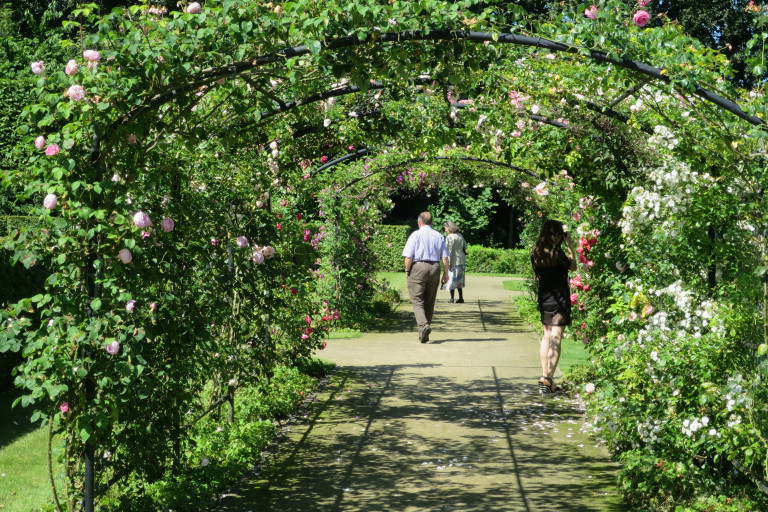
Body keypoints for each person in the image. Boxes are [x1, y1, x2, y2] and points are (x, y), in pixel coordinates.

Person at [531, 219, 577, 395]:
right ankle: (548, 380)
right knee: (556, 337)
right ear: (556, 235)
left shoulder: (536, 252)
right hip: (559, 298)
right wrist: (570, 246)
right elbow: (573, 267)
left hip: (544, 297)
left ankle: (545, 376)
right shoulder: (558, 254)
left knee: (546, 337)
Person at [402, 212, 450, 343]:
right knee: (429, 301)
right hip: (435, 268)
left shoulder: (415, 235)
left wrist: (407, 270)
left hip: (418, 267)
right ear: (432, 222)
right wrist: (446, 274)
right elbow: (445, 257)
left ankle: (424, 326)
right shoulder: (439, 236)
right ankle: (424, 334)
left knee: (417, 300)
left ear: (419, 222)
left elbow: (408, 257)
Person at [443, 221, 467, 303]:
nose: (445, 230)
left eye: (445, 228)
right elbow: (465, 246)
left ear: (449, 228)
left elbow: (448, 251)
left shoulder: (449, 237)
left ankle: (452, 298)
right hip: (461, 260)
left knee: (451, 280)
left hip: (453, 261)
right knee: (460, 280)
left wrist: (447, 264)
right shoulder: (460, 235)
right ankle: (461, 298)